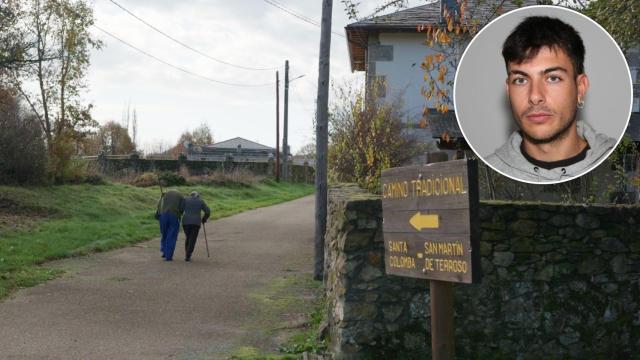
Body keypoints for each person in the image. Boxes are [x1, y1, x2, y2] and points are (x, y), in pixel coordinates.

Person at [486, 16, 616, 183]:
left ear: (580, 89)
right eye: (521, 80)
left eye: (553, 78)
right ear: (509, 90)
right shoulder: (484, 173)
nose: (535, 96)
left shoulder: (618, 162)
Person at [155, 189, 184, 261]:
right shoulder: (180, 196)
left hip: (163, 216)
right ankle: (168, 256)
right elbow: (182, 208)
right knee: (171, 236)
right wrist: (180, 213)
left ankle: (164, 251)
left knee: (164, 234)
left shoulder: (163, 195)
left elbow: (158, 205)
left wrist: (159, 215)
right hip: (174, 216)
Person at [181, 191, 211, 262]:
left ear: (190, 195)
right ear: (197, 196)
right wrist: (204, 219)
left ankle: (187, 253)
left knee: (188, 237)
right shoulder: (200, 201)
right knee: (192, 239)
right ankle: (188, 254)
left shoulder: (185, 199)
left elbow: (181, 209)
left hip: (185, 222)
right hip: (196, 223)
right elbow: (208, 211)